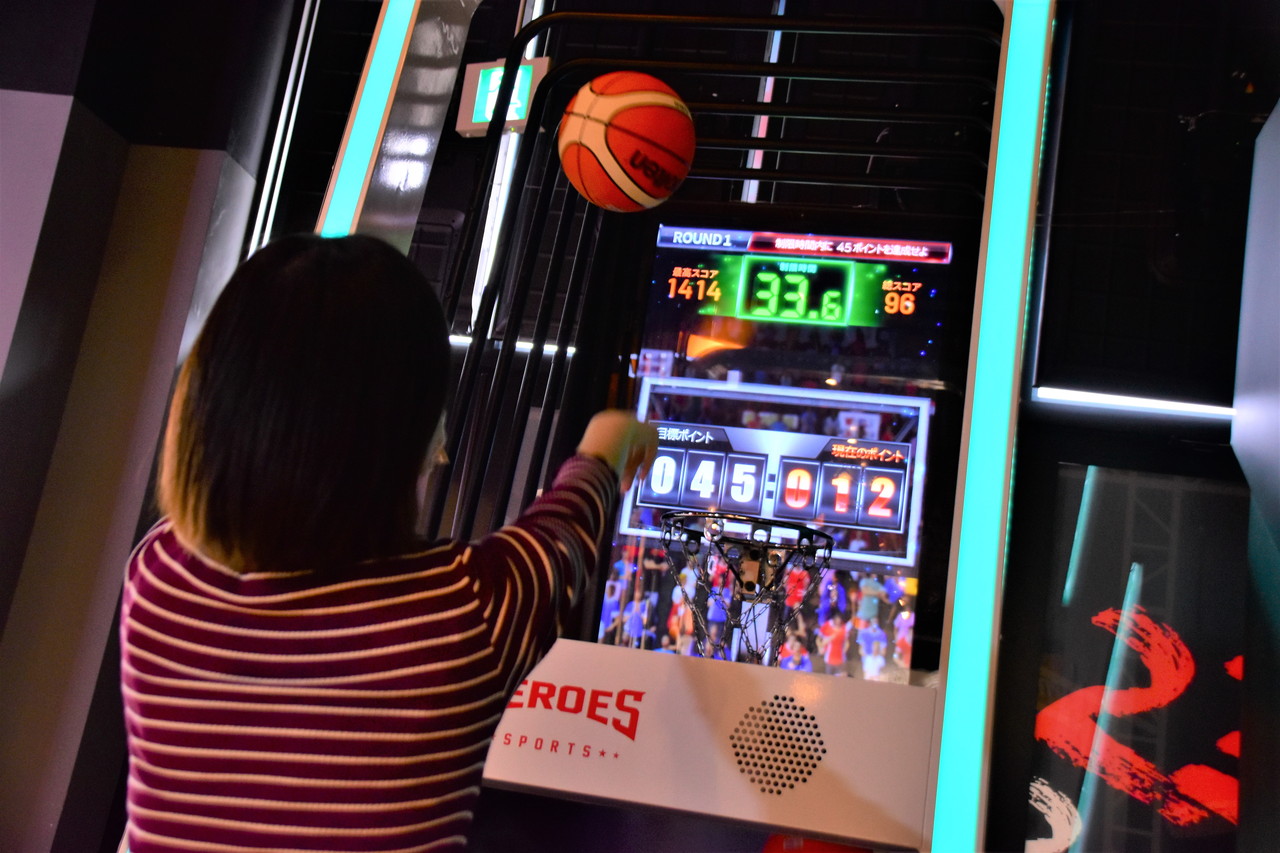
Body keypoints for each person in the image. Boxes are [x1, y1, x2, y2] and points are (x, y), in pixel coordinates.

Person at [118, 234, 657, 853]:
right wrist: (607, 444)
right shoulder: (465, 609)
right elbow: (563, 537)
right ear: (393, 444)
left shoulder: (157, 575)